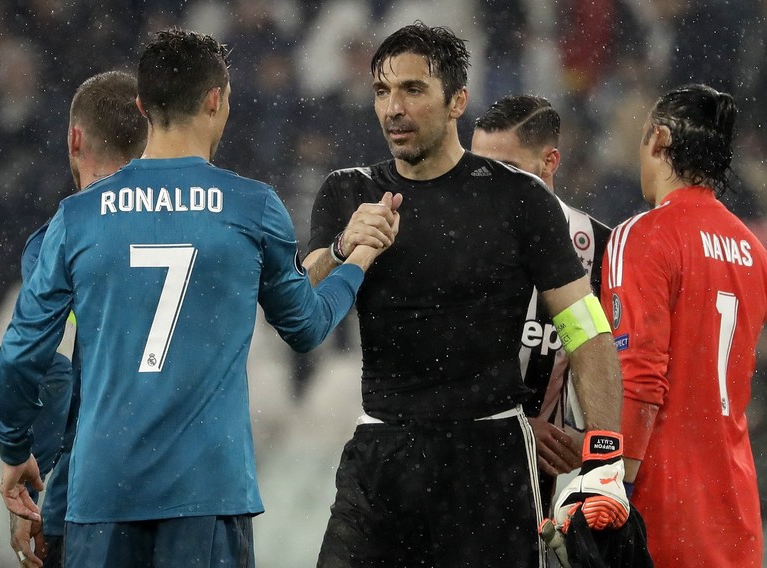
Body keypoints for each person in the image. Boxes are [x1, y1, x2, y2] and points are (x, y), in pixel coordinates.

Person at [0, 28, 401, 567]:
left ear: (142, 106)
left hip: (102, 492)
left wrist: (15, 447)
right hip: (207, 491)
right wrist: (358, 260)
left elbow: (23, 353)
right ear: (216, 99)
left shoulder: (77, 218)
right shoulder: (252, 206)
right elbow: (305, 327)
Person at [304, 23, 626, 567]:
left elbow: (585, 327)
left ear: (458, 101)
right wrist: (339, 247)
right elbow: (300, 309)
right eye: (382, 92)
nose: (393, 109)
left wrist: (605, 458)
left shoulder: (519, 197)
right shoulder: (348, 191)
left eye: (412, 89)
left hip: (490, 460)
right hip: (383, 453)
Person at [601, 83, 767, 568]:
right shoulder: (753, 252)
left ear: (657, 140)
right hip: (735, 509)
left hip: (663, 503)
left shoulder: (643, 235)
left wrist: (618, 488)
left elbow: (638, 375)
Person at [7, 70, 148, 568]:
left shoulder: (61, 240)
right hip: (196, 493)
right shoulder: (206, 223)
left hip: (93, 495)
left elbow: (48, 368)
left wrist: (29, 473)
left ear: (74, 138)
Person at [471, 94, 612, 516]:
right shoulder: (450, 241)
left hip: (534, 489)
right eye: (479, 169)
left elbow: (611, 361)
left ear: (549, 162)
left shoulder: (599, 248)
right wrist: (509, 427)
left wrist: (588, 443)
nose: (491, 184)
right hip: (447, 470)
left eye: (509, 170)